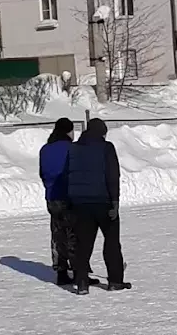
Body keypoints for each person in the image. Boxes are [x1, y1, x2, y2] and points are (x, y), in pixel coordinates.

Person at [67, 118, 130, 293]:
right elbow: (112, 176)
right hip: (103, 201)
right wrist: (115, 202)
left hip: (80, 203)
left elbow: (69, 174)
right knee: (111, 242)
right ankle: (115, 281)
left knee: (83, 244)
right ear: (102, 132)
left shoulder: (73, 148)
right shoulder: (106, 148)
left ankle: (81, 283)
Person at [39, 117, 75, 285]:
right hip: (69, 196)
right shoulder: (72, 148)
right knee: (74, 234)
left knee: (57, 232)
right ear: (69, 131)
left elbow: (42, 173)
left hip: (52, 196)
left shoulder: (45, 149)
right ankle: (78, 271)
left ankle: (61, 270)